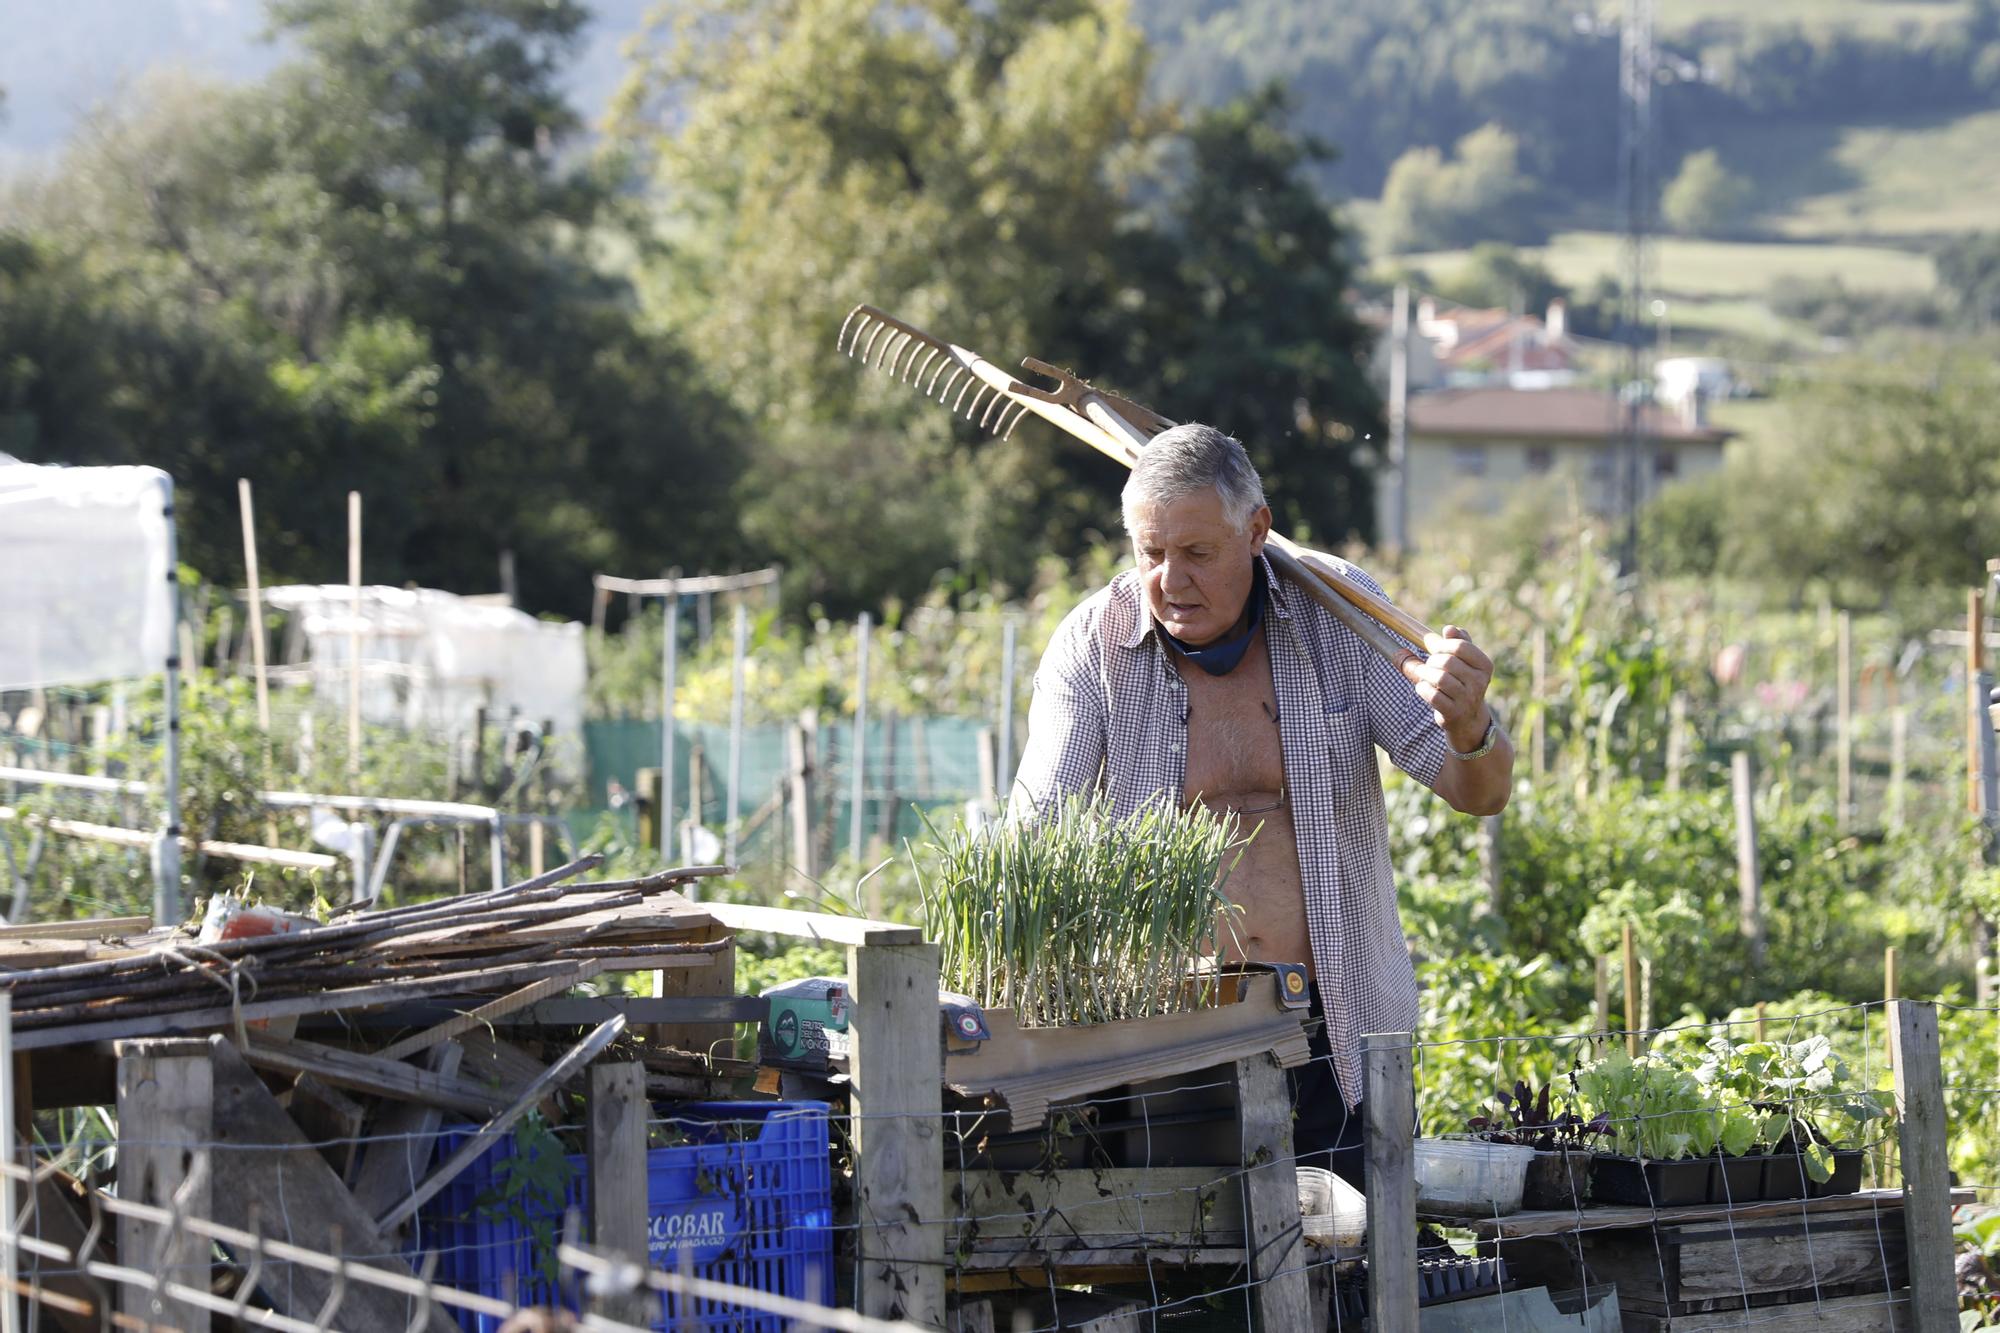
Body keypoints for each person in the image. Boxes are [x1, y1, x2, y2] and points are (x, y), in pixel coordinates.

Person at [1010, 423, 1513, 1186]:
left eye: (1198, 553)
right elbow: (1034, 836)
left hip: (1335, 1035)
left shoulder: (1337, 616)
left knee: (1354, 1279)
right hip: (1163, 1049)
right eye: (1151, 553)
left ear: (1257, 531)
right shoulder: (1094, 645)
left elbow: (1478, 788)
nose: (1170, 580)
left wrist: (1471, 724)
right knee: (1190, 1288)